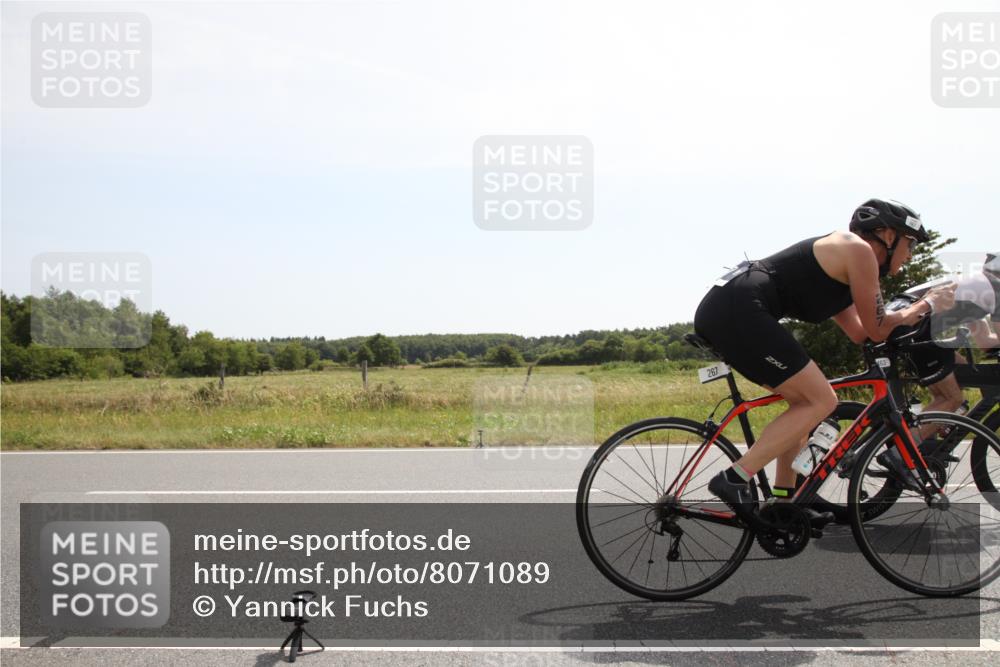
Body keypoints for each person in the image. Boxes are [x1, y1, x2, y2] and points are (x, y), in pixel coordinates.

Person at [695, 198, 956, 522]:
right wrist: (925, 305)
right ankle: (733, 479)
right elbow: (877, 328)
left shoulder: (841, 272)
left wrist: (912, 319)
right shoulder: (858, 251)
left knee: (804, 404)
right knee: (821, 400)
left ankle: (783, 503)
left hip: (733, 307)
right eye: (910, 244)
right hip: (739, 307)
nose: (910, 255)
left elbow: (861, 332)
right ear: (889, 236)